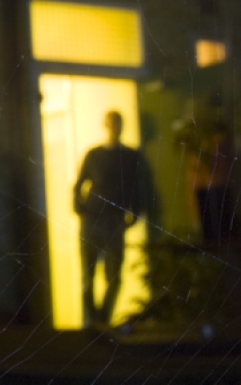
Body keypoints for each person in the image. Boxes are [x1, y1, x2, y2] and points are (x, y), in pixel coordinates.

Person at [73, 110, 151, 327]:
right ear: (106, 125)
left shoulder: (129, 156)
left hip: (113, 221)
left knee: (113, 276)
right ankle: (95, 321)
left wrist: (132, 217)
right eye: (112, 123)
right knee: (89, 275)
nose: (115, 128)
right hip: (94, 220)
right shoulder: (95, 154)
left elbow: (137, 188)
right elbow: (79, 185)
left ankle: (102, 321)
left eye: (118, 123)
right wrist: (81, 209)